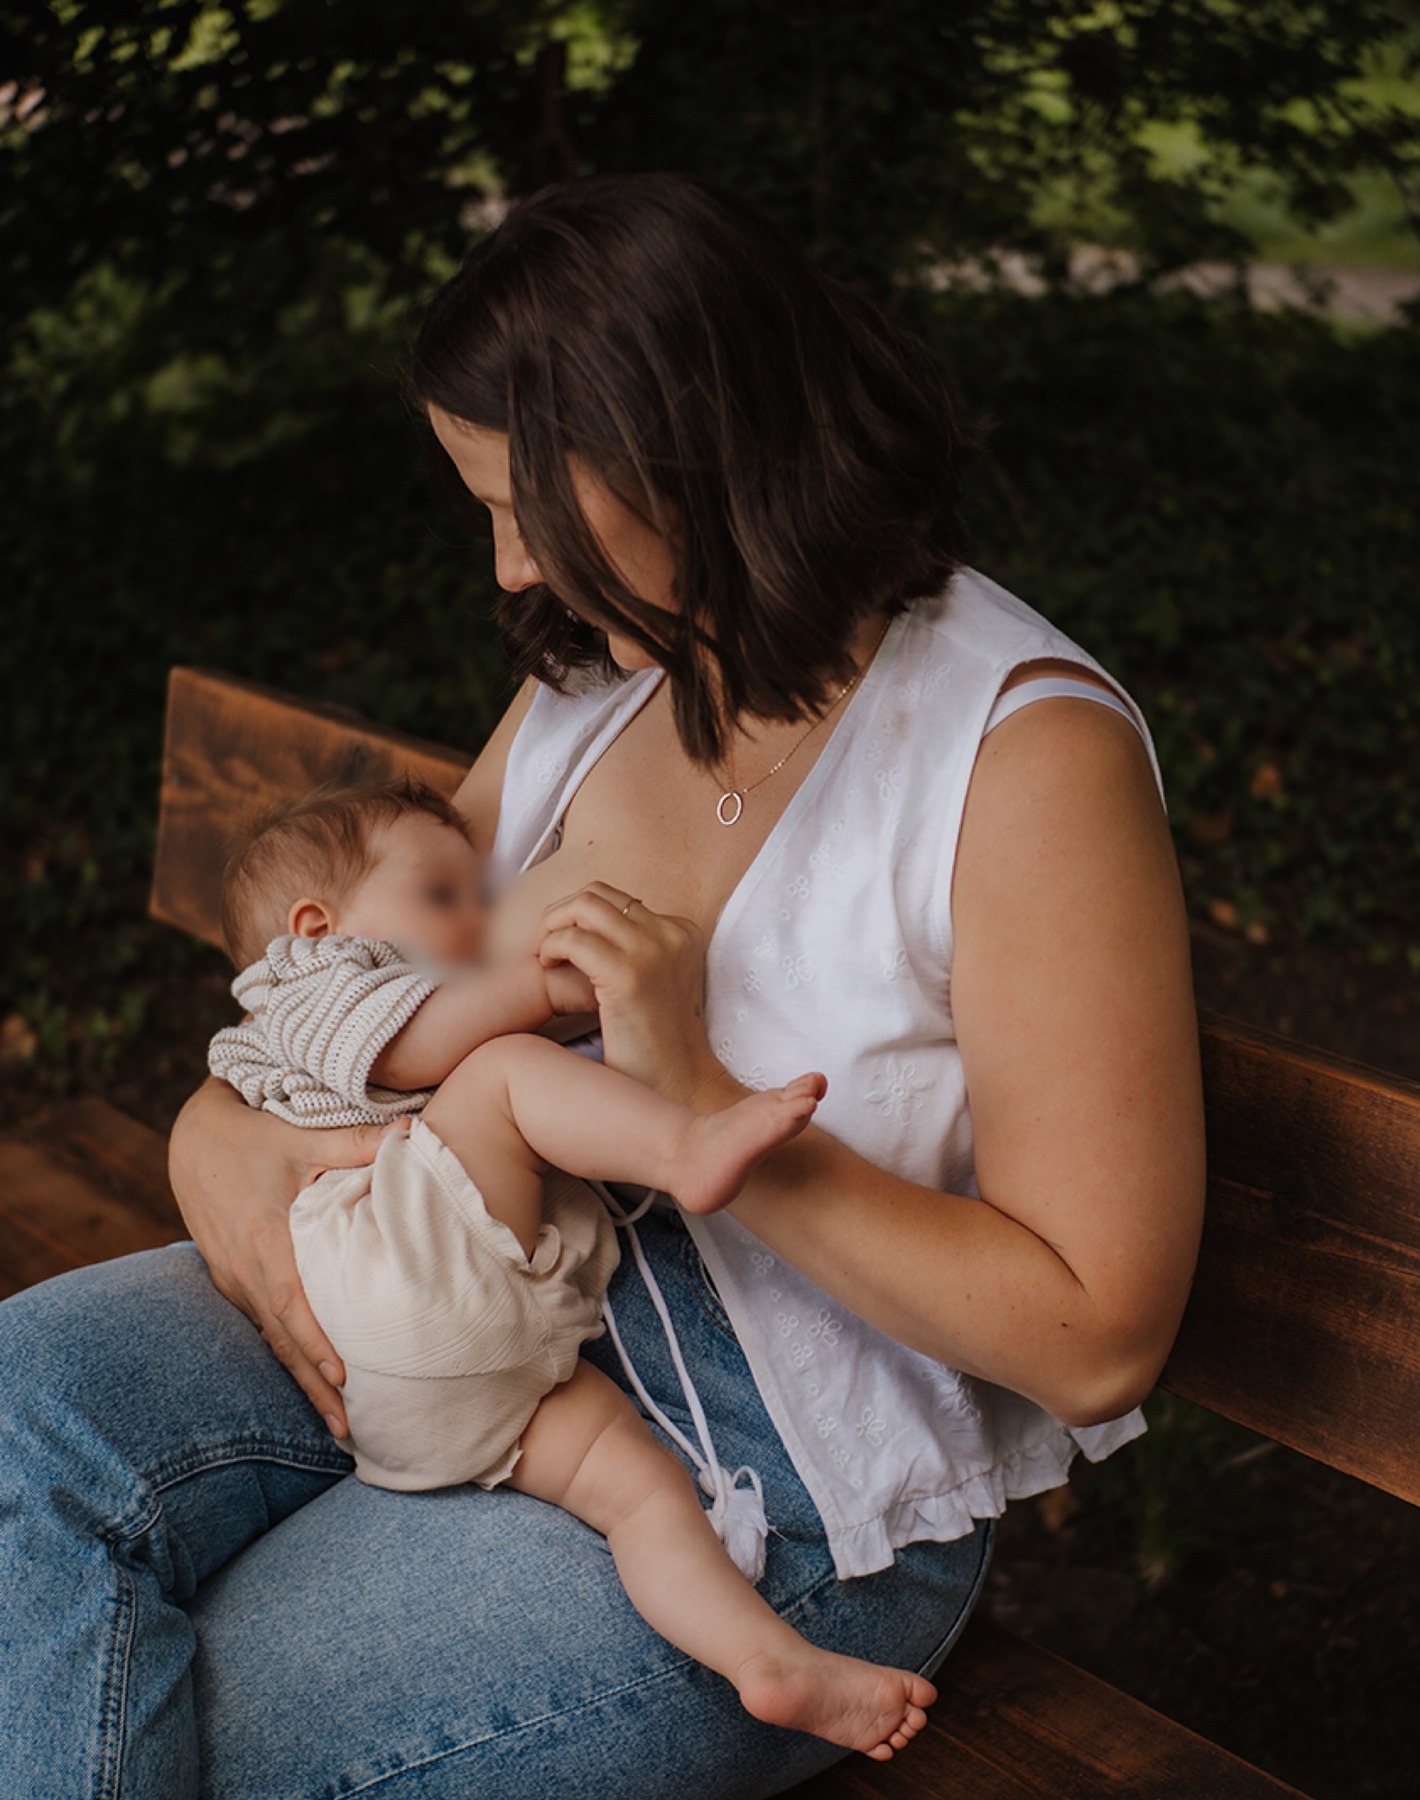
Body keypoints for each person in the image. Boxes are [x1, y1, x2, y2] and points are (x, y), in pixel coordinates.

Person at [0, 172, 1205, 1800]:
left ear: (683, 453)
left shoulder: (1020, 753)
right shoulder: (606, 674)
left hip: (752, 1477)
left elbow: (1097, 1337)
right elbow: (373, 993)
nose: (509, 570)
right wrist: (217, 1131)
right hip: (444, 1271)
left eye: (528, 511)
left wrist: (705, 1107)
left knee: (198, 1712)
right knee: (20, 1435)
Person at [204, 772, 935, 1759]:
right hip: (394, 1266)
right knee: (499, 1077)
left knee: (638, 1493)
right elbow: (419, 1045)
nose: (477, 922)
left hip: (416, 1403)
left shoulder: (309, 1015)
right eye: (443, 895)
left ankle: (766, 1660)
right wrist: (546, 991)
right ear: (315, 926)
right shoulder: (308, 994)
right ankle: (687, 1147)